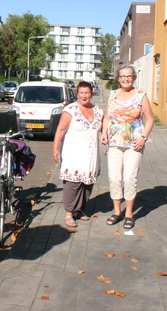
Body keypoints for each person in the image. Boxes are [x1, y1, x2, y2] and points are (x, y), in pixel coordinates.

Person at [101, 66, 154, 230]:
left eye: (129, 76)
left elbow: (150, 119)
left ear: (133, 77)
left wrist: (143, 137)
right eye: (123, 76)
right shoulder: (113, 95)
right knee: (115, 178)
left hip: (134, 145)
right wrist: (104, 133)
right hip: (115, 144)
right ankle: (117, 211)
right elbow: (108, 117)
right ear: (118, 78)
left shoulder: (141, 95)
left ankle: (129, 214)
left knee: (129, 179)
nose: (126, 79)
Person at [52, 81, 103, 227]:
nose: (84, 96)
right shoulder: (71, 110)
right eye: (81, 93)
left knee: (87, 184)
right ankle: (69, 214)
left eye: (87, 92)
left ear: (91, 94)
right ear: (77, 94)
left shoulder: (98, 110)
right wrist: (55, 148)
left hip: (91, 155)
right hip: (73, 154)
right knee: (73, 184)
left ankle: (79, 210)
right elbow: (60, 130)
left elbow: (104, 128)